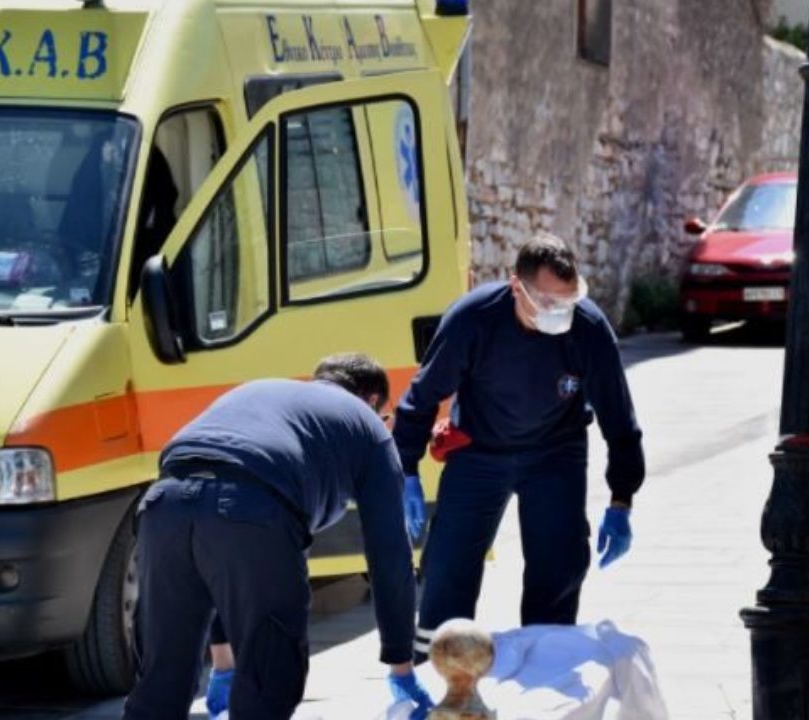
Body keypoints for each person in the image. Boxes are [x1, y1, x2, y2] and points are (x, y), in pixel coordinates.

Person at [122, 353, 434, 720]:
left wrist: (224, 662)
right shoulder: (366, 424)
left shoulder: (261, 392)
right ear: (371, 402)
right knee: (270, 680)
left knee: (160, 685)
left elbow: (215, 549)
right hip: (250, 510)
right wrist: (401, 662)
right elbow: (389, 557)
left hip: (164, 504)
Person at [392, 232, 645, 660]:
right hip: (479, 451)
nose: (559, 313)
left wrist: (622, 500)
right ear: (516, 288)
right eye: (547, 303)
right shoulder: (474, 319)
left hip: (555, 453)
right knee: (447, 569)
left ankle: (546, 666)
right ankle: (433, 671)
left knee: (559, 564)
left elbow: (620, 419)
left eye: (568, 301)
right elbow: (421, 396)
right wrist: (407, 470)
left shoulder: (587, 328)